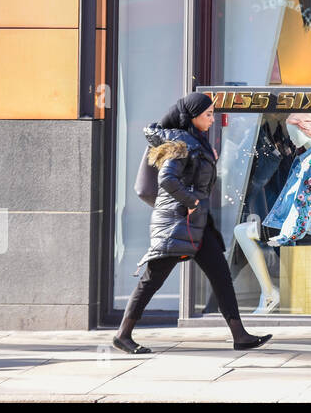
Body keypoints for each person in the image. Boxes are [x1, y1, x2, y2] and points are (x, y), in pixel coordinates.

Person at [113, 93, 272, 354]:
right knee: (152, 280)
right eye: (208, 114)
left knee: (221, 276)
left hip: (197, 224)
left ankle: (239, 334)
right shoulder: (180, 143)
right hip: (178, 223)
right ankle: (123, 335)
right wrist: (191, 202)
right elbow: (167, 179)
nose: (212, 119)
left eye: (212, 113)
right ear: (193, 116)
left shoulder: (195, 141)